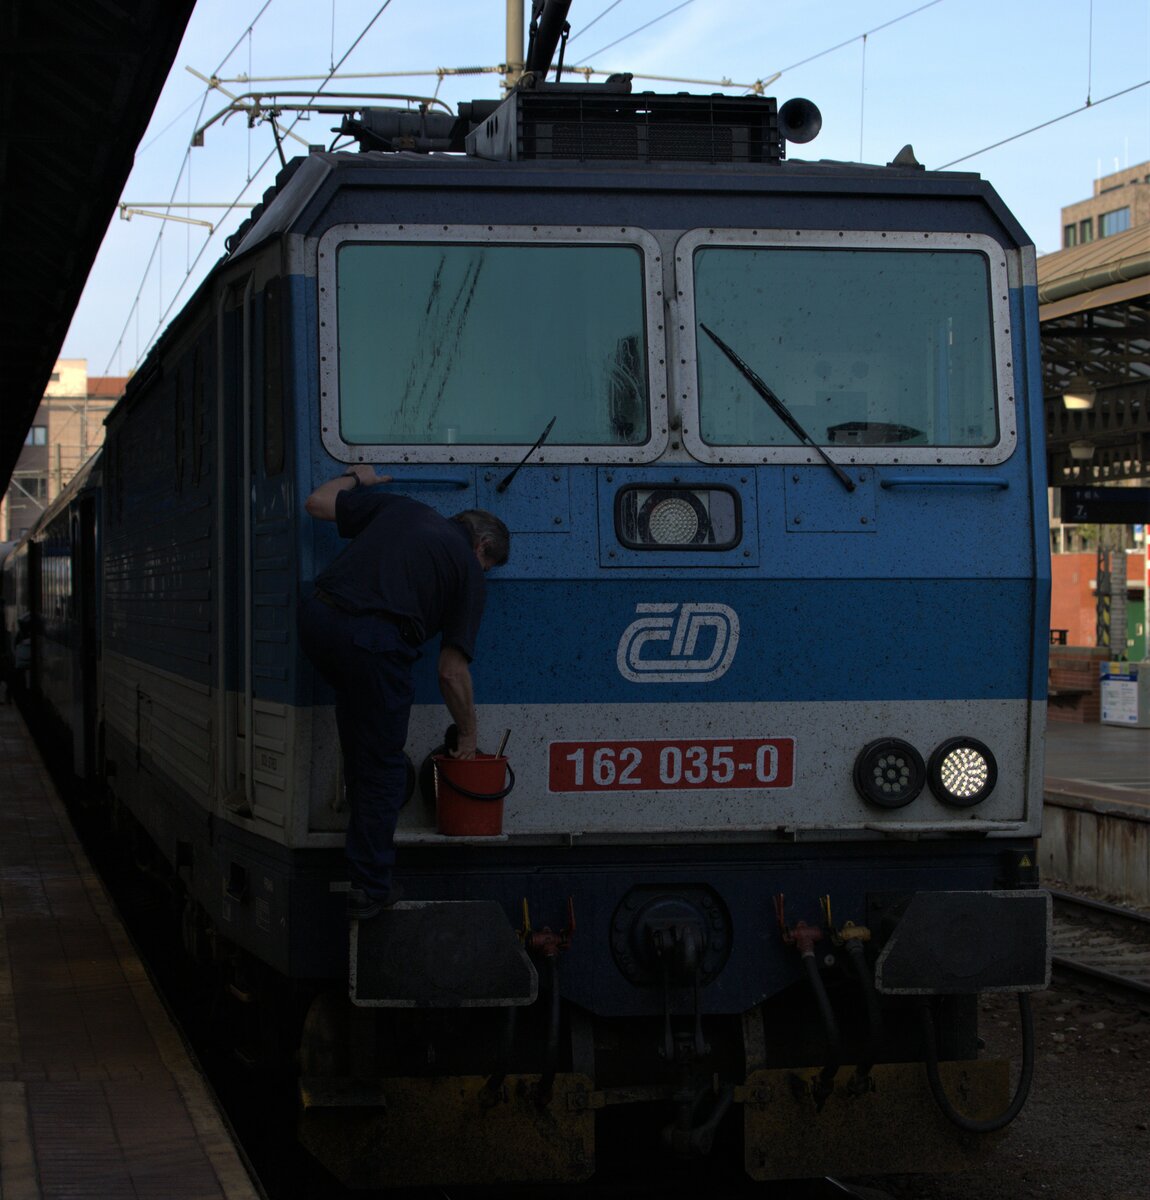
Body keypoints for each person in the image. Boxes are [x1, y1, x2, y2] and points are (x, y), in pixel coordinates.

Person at [299, 464, 510, 919]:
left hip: (317, 621)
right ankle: (371, 890)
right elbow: (451, 673)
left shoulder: (401, 507)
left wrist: (359, 478)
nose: (483, 573)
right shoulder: (468, 572)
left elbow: (316, 503)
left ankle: (362, 840)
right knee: (382, 771)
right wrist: (468, 734)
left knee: (362, 739)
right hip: (374, 643)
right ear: (482, 546)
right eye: (487, 566)